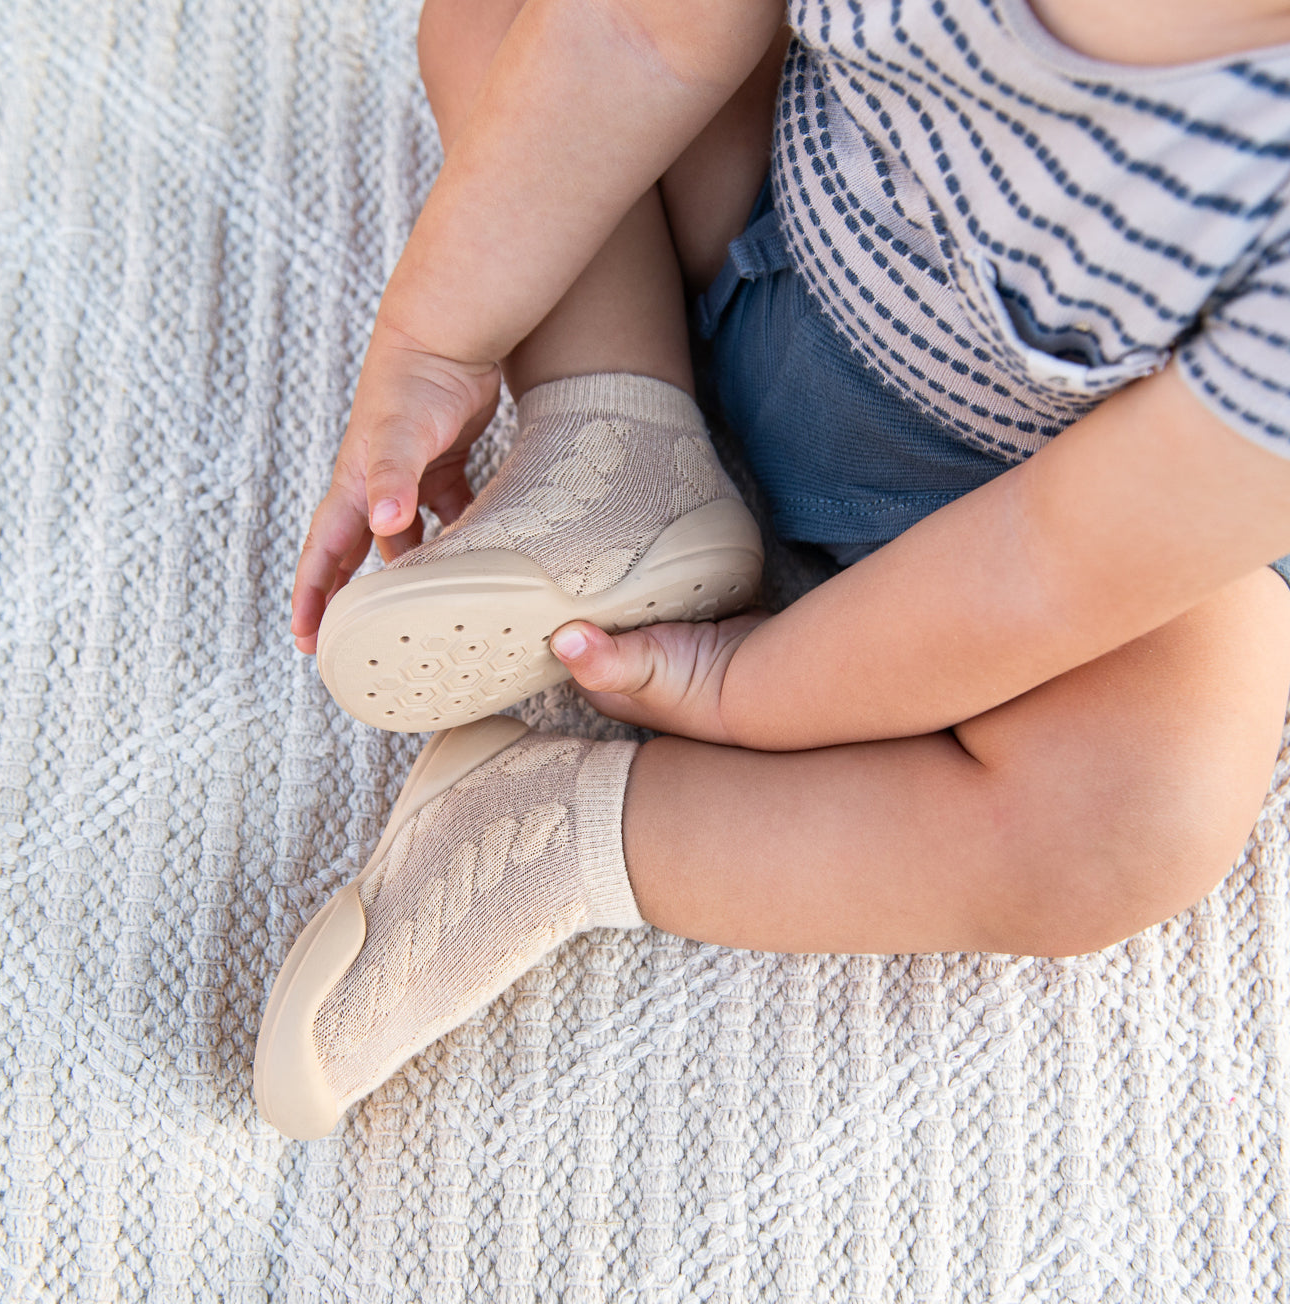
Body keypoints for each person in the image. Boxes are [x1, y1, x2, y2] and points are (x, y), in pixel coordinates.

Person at [253, 0, 1290, 1139]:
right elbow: (636, 36)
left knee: (1138, 807)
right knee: (501, 21)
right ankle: (614, 435)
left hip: (1022, 511)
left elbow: (1048, 565)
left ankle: (567, 831)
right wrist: (433, 340)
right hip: (780, 217)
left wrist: (747, 688)